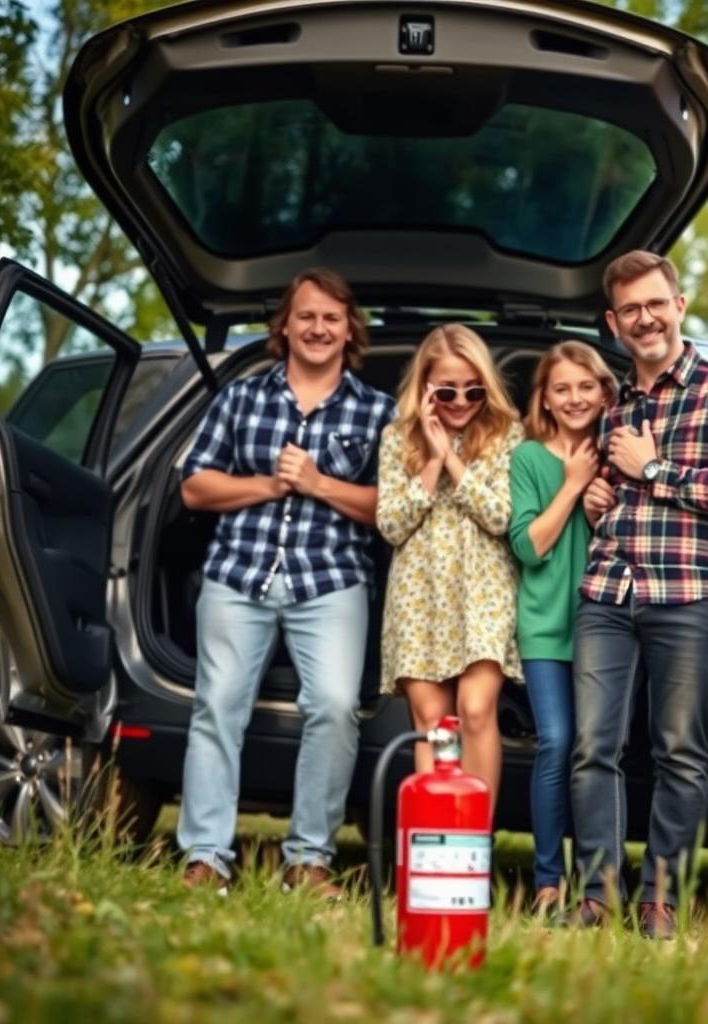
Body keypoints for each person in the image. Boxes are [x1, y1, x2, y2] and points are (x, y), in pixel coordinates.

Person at [177, 268, 394, 897]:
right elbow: (195, 486)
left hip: (331, 581)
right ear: (286, 326)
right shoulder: (242, 398)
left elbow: (392, 510)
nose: (318, 328)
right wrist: (271, 484)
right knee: (217, 706)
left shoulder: (378, 412)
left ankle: (308, 861)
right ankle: (207, 857)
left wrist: (319, 483)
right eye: (306, 316)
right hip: (237, 574)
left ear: (349, 329)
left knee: (334, 706)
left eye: (331, 318)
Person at [570, 250, 708, 938]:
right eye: (630, 309)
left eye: (656, 303)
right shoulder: (615, 406)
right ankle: (598, 895)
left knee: (678, 751)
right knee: (593, 748)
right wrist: (598, 500)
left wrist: (653, 467)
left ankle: (661, 900)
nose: (645, 318)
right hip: (607, 591)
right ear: (613, 322)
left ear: (679, 305)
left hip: (688, 593)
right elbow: (615, 491)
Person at [376, 323, 523, 810]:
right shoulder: (397, 438)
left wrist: (454, 463)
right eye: (447, 390)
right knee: (432, 724)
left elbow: (501, 517)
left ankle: (475, 838)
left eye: (473, 390)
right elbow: (391, 525)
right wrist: (432, 461)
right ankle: (436, 838)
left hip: (483, 590)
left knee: (476, 711)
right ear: (425, 387)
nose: (461, 401)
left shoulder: (506, 434)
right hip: (419, 594)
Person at [508, 341, 617, 912]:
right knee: (555, 742)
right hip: (546, 627)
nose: (575, 398)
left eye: (585, 386)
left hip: (608, 627)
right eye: (562, 389)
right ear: (545, 400)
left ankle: (596, 882)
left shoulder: (620, 452)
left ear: (604, 393)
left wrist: (600, 508)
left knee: (595, 749)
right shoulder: (529, 459)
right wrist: (573, 484)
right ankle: (548, 880)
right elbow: (529, 546)